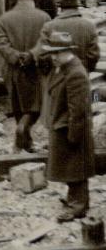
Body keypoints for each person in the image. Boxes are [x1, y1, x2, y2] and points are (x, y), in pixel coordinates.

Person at [42, 31, 94, 222]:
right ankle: (75, 200)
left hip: (71, 128)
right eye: (51, 53)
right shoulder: (65, 68)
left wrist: (74, 135)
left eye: (57, 53)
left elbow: (78, 110)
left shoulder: (75, 73)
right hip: (63, 125)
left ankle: (78, 206)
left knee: (76, 167)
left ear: (68, 51)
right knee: (69, 168)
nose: (52, 57)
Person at [0, 0, 50, 152]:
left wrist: (15, 56)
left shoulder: (5, 19)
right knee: (36, 105)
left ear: (17, 0)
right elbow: (46, 41)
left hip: (13, 69)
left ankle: (25, 142)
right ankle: (23, 133)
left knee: (18, 105)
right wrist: (31, 55)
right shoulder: (44, 17)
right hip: (35, 68)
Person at [41, 0, 99, 73]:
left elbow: (43, 53)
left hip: (57, 74)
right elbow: (93, 54)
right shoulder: (89, 25)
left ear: (61, 9)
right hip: (81, 71)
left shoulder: (49, 26)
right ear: (77, 8)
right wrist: (87, 69)